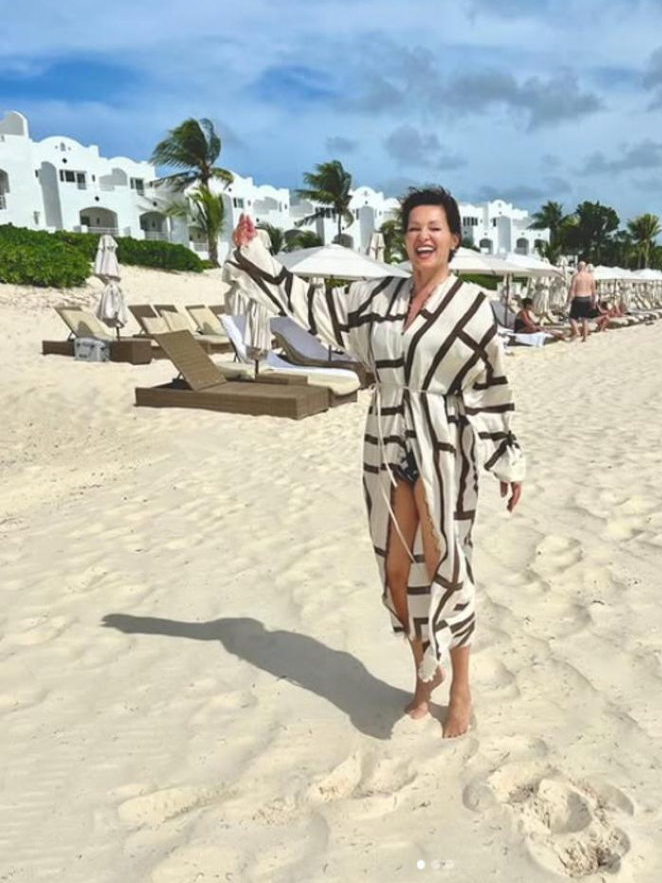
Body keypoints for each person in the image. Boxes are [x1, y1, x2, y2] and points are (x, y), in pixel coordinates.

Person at [223, 191, 524, 739]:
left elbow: (490, 385)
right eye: (413, 227)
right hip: (385, 438)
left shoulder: (472, 307)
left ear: (453, 238)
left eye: (434, 227)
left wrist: (506, 458)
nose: (423, 236)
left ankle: (460, 686)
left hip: (443, 444)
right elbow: (312, 305)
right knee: (396, 571)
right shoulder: (376, 296)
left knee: (447, 563)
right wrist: (257, 255)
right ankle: (424, 672)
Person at [567, 260, 598, 341]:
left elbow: (572, 290)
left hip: (578, 298)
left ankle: (577, 332)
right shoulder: (590, 277)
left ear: (578, 267)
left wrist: (568, 300)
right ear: (585, 267)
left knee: (572, 318)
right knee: (585, 319)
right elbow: (594, 291)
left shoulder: (576, 276)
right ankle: (585, 338)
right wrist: (594, 302)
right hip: (587, 299)